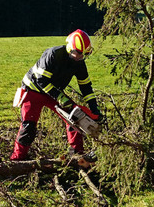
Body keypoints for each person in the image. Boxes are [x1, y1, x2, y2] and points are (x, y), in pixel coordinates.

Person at [10, 29, 102, 161]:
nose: (80, 57)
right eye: (78, 53)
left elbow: (86, 87)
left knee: (75, 117)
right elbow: (41, 81)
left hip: (53, 92)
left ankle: (76, 155)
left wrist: (94, 108)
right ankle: (17, 160)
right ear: (70, 48)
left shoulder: (79, 63)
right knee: (29, 126)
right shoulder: (53, 54)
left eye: (83, 54)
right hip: (33, 90)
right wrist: (60, 97)